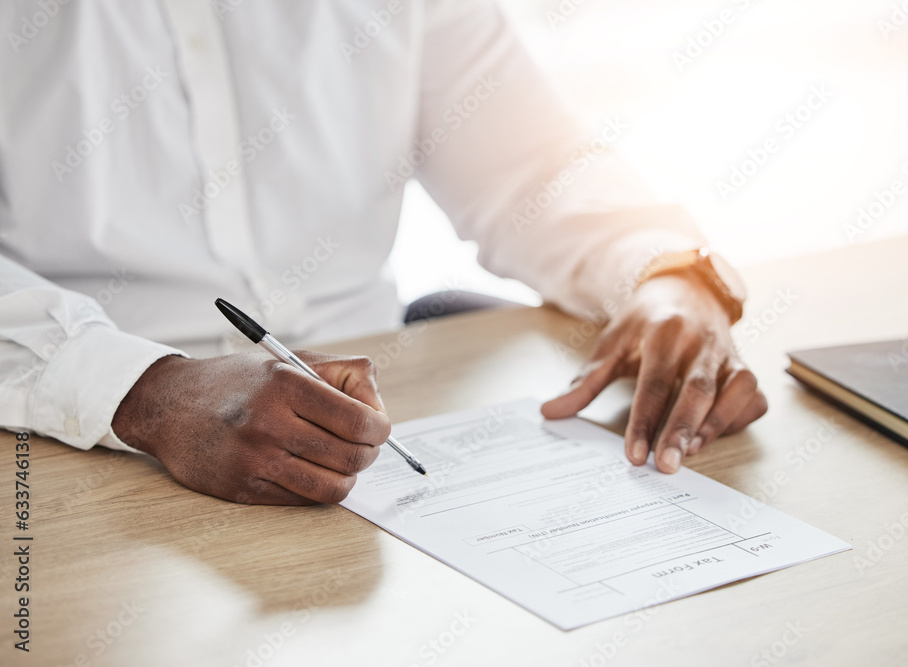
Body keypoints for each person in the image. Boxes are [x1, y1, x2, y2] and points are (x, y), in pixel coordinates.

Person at [0, 0, 766, 505]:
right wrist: (144, 391)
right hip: (64, 435)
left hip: (374, 418)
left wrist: (665, 272)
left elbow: (534, 168)